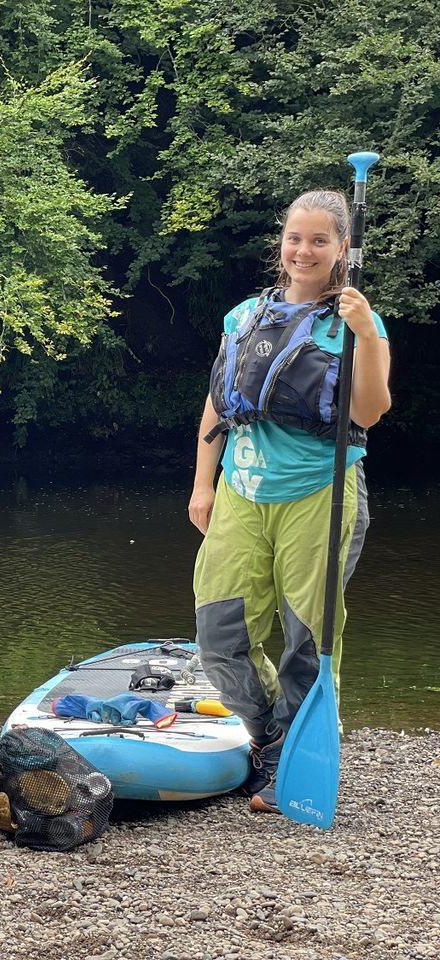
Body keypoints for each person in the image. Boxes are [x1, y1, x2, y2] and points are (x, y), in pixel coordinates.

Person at [189, 188, 391, 814]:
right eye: (294, 238)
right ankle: (270, 736)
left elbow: (369, 411)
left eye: (319, 240)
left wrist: (366, 335)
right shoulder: (245, 315)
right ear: (282, 244)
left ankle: (295, 759)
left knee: (308, 639)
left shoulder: (355, 321)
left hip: (319, 494)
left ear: (341, 250)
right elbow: (219, 403)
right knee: (219, 634)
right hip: (242, 490)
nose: (303, 250)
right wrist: (203, 481)